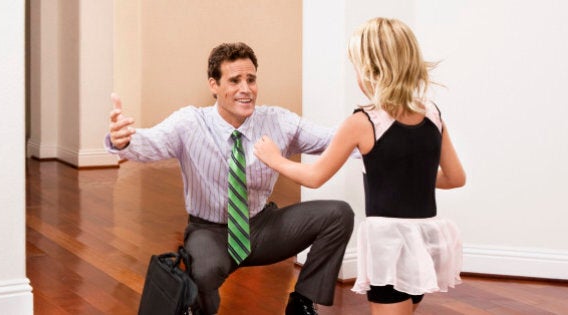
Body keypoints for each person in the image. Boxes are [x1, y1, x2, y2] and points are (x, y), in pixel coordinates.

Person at [106, 42, 354, 315]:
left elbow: (335, 141)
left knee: (338, 214)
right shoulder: (190, 123)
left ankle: (302, 303)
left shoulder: (277, 121)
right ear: (214, 85)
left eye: (251, 79)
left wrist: (371, 124)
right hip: (209, 231)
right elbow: (150, 142)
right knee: (203, 274)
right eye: (234, 80)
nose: (245, 89)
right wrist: (123, 141)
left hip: (261, 226)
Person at [254, 18, 466, 315]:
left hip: (390, 245)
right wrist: (409, 177)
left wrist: (274, 159)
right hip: (426, 240)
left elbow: (314, 177)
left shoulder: (364, 122)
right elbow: (455, 178)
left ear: (371, 71)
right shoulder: (432, 114)